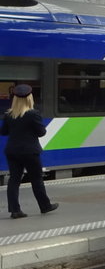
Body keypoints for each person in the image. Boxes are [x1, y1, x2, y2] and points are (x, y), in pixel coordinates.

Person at [2, 84, 58, 218]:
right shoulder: (33, 114)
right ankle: (45, 206)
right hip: (30, 151)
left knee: (14, 180)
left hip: (12, 151)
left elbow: (3, 132)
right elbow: (41, 132)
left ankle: (15, 211)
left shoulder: (9, 115)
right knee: (36, 179)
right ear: (29, 98)